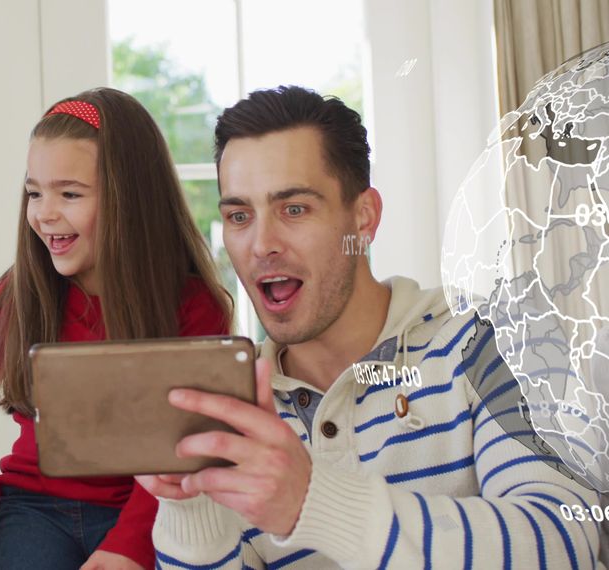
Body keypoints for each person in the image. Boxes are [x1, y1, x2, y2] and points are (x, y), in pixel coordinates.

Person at [137, 86, 602, 568]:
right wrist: (190, 509)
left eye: (294, 209)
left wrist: (313, 501)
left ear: (364, 218)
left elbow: (567, 543)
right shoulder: (235, 406)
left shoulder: (496, 340)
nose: (261, 244)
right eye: (239, 216)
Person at [0, 87, 233, 570]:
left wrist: (129, 544)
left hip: (149, 509)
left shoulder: (193, 306)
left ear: (130, 200)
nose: (44, 213)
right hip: (33, 509)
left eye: (69, 194)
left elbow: (189, 443)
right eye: (34, 192)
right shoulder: (20, 293)